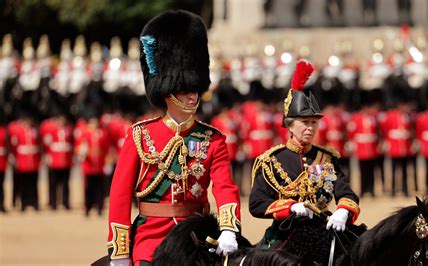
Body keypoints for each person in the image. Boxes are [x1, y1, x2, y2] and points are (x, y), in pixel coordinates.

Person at [107, 10, 241, 265]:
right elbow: (120, 196)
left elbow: (225, 188)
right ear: (168, 92)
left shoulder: (212, 139)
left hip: (197, 236)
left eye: (195, 89)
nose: (193, 96)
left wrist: (228, 229)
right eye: (185, 89)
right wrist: (120, 252)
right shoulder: (140, 135)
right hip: (152, 235)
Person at [249, 61, 360, 253]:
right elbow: (257, 204)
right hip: (286, 233)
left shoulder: (326, 158)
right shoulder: (271, 161)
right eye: (304, 122)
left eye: (314, 122)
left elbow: (345, 192)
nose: (310, 127)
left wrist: (343, 210)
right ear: (290, 125)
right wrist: (290, 207)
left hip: (323, 229)